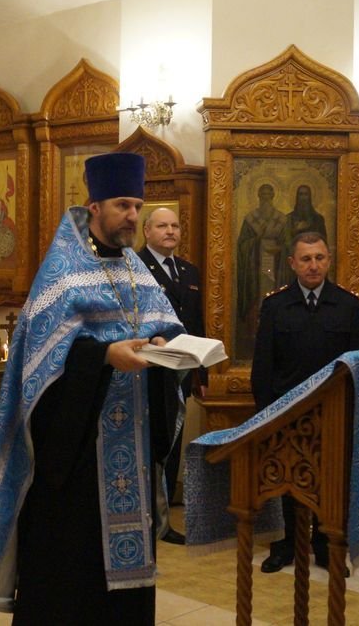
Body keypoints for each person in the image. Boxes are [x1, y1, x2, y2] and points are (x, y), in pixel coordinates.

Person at [0, 152, 185, 624]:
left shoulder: (137, 270)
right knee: (72, 574)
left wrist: (167, 347)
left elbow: (162, 326)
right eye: (123, 205)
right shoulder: (62, 273)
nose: (132, 216)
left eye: (137, 206)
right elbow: (41, 362)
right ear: (95, 208)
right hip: (77, 455)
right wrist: (104, 357)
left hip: (132, 443)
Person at [251, 231, 359, 574]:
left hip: (332, 412)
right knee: (284, 481)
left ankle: (326, 548)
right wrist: (266, 415)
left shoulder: (348, 305)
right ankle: (285, 545)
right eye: (306, 259)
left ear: (328, 260)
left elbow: (358, 365)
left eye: (319, 258)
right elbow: (263, 365)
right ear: (292, 263)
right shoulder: (276, 306)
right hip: (286, 410)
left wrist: (352, 411)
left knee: (329, 484)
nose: (313, 265)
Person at [136, 206, 205, 545]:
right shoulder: (135, 268)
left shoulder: (188, 271)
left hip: (181, 372)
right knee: (151, 445)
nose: (170, 231)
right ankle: (147, 518)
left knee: (173, 444)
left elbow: (196, 323)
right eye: (162, 226)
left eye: (175, 226)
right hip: (148, 372)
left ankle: (164, 522)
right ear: (146, 231)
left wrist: (201, 372)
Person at [236, 184, 287, 358]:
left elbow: (289, 244)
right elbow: (242, 244)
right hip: (254, 267)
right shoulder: (250, 218)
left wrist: (279, 249)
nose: (266, 198)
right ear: (258, 196)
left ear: (273, 196)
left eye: (268, 195)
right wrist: (256, 241)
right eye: (263, 194)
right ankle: (254, 336)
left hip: (276, 266)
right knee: (256, 299)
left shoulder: (281, 219)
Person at [281, 185, 327, 284]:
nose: (303, 198)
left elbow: (324, 244)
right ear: (297, 197)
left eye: (306, 194)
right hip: (295, 265)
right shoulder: (289, 218)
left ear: (310, 197)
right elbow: (285, 243)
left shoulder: (318, 219)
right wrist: (295, 231)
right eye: (301, 194)